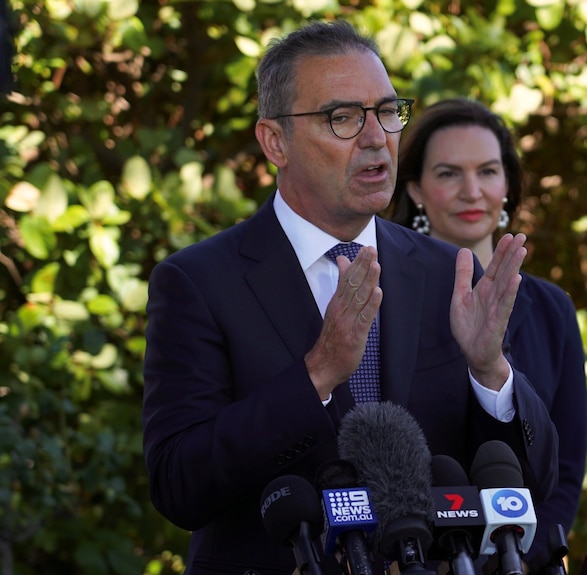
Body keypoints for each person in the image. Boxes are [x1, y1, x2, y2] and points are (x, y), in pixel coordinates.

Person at [141, 21, 559, 575]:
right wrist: (316, 374)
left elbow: (532, 484)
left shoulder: (445, 274)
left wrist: (490, 372)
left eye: (387, 112)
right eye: (342, 117)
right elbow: (179, 486)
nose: (376, 138)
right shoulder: (199, 282)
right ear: (275, 142)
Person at [388, 98, 587, 571]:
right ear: (415, 189)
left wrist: (511, 562)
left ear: (507, 185)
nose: (471, 191)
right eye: (448, 173)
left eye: (488, 171)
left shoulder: (551, 310)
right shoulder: (379, 297)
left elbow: (564, 477)